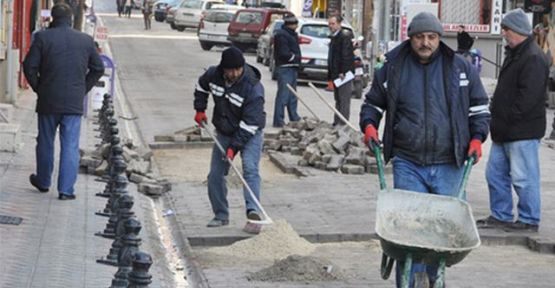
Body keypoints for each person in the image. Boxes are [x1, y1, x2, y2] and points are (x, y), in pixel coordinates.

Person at [359, 12, 490, 287]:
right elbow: (372, 104)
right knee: (410, 234)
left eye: (431, 37)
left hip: (450, 162)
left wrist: (477, 138)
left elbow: (479, 108)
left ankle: (433, 279)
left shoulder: (460, 68)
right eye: (420, 37)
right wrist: (369, 126)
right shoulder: (393, 68)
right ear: (411, 38)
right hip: (409, 161)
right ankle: (408, 282)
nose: (425, 43)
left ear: (439, 38)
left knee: (441, 237)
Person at [476, 9, 549, 233]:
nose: (504, 33)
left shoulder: (533, 58)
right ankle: (501, 215)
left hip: (521, 131)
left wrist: (506, 118)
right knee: (495, 174)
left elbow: (528, 99)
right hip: (505, 130)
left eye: (506, 29)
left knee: (524, 177)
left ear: (517, 30)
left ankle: (529, 219)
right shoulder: (516, 54)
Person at [22, 3, 104, 200]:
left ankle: (43, 181)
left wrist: (39, 88)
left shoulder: (42, 38)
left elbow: (29, 66)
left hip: (48, 100)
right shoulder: (85, 40)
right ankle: (66, 190)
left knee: (45, 142)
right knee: (70, 145)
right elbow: (98, 68)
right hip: (73, 102)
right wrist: (83, 88)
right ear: (71, 19)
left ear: (52, 18)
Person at [193, 47, 266, 230]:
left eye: (237, 70)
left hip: (250, 133)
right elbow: (201, 86)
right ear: (223, 68)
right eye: (230, 70)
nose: (234, 74)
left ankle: (253, 215)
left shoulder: (253, 87)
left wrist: (234, 148)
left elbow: (250, 124)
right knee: (215, 175)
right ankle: (221, 215)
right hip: (224, 130)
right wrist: (200, 109)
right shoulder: (213, 74)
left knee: (250, 169)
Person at [272, 14, 301, 127]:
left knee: (292, 95)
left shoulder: (291, 34)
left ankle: (294, 117)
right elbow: (283, 53)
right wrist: (294, 57)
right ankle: (278, 120)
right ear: (291, 24)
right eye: (295, 24)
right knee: (283, 95)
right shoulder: (282, 35)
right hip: (285, 67)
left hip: (292, 67)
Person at [327, 15, 354, 126]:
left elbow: (346, 55)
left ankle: (343, 124)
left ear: (339, 24)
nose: (331, 26)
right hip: (336, 73)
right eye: (329, 24)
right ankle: (337, 122)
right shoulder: (334, 37)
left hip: (343, 74)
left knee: (344, 100)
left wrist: (343, 71)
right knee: (338, 99)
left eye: (333, 24)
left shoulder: (344, 36)